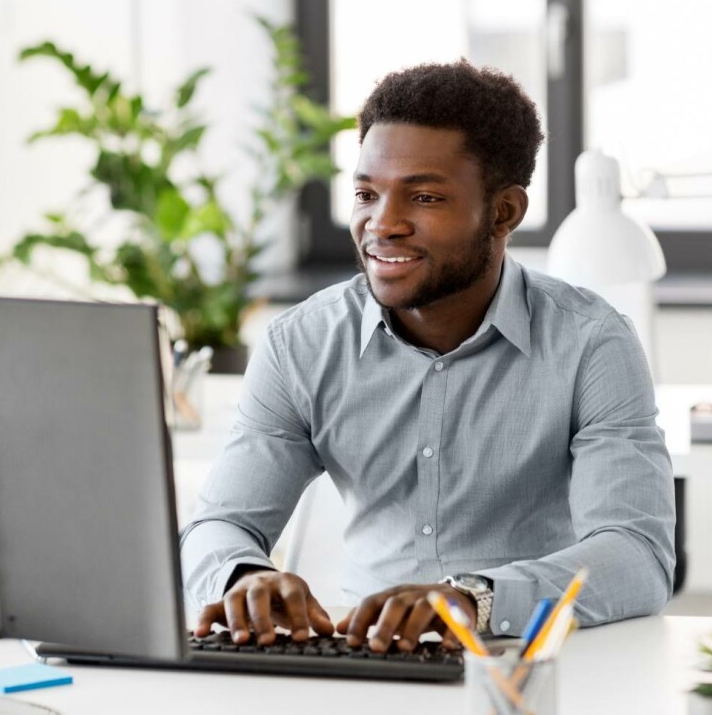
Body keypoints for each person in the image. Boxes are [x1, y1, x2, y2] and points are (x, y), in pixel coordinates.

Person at [180, 59, 675, 653]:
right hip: (359, 662)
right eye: (366, 193)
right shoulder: (302, 344)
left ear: (504, 212)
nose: (381, 225)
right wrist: (242, 576)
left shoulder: (591, 343)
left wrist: (473, 599)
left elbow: (636, 554)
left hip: (530, 663)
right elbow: (219, 524)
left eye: (424, 196)